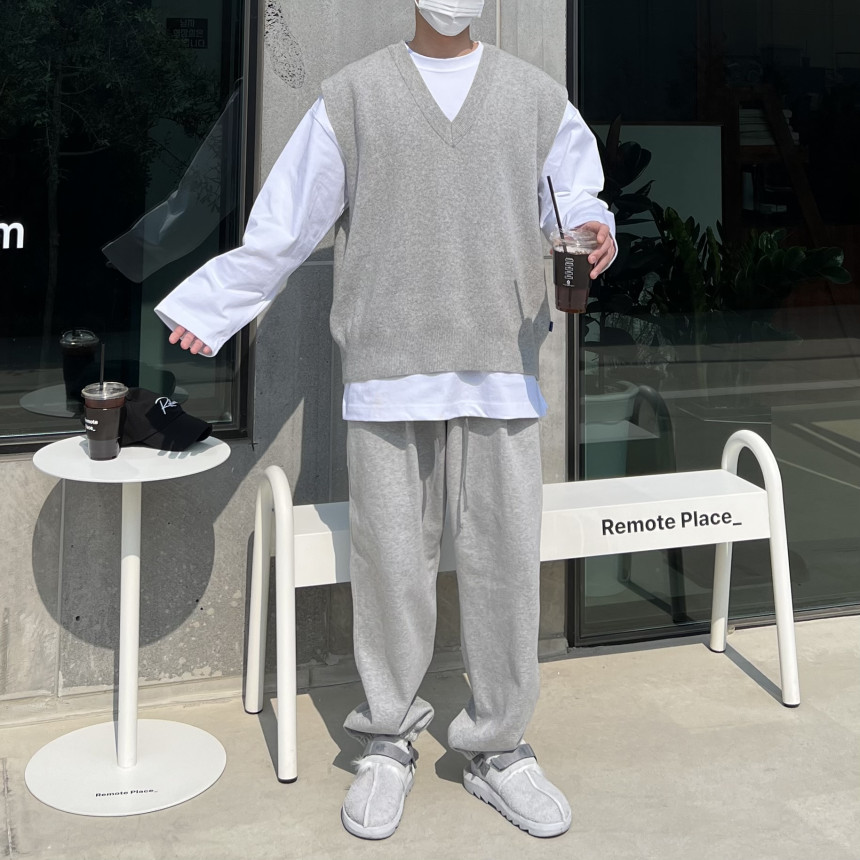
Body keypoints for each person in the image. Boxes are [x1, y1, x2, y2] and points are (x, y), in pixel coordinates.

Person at [155, 0, 616, 841]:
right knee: (391, 566)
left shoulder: (536, 97)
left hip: (499, 367)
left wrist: (594, 229)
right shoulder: (353, 96)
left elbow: (575, 201)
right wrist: (215, 306)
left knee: (505, 567)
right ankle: (387, 741)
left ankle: (499, 748)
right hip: (387, 368)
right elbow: (286, 222)